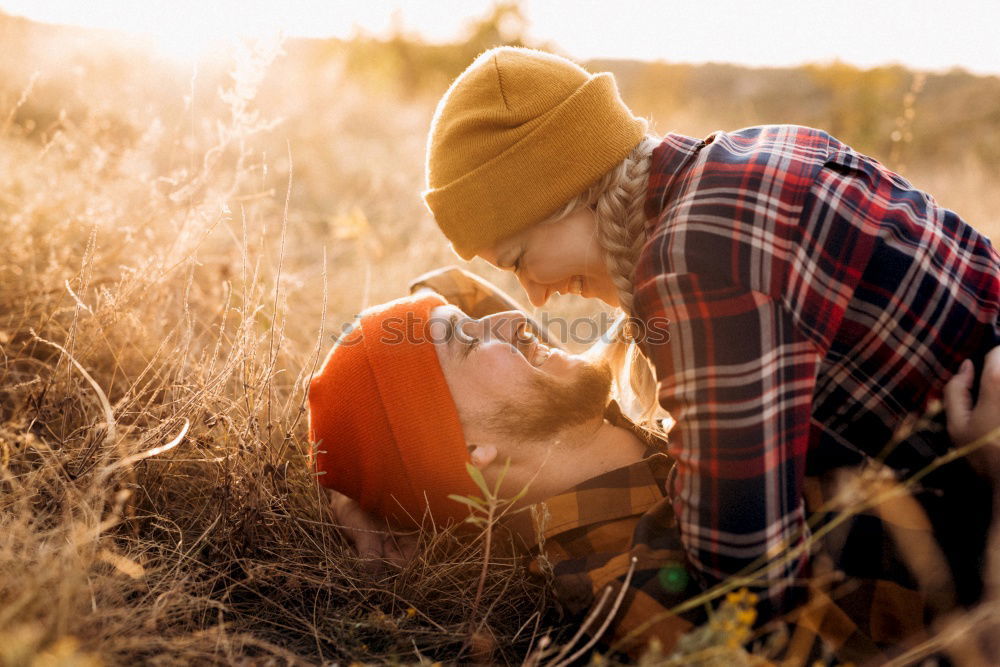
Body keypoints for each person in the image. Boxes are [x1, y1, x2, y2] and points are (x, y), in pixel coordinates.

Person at [419, 46, 1000, 619]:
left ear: (567, 192)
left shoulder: (694, 261)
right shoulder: (740, 160)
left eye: (520, 260)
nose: (537, 295)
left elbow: (748, 577)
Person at [308, 277, 1000, 661]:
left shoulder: (642, 408)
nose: (514, 320)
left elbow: (446, 297)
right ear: (470, 453)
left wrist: (355, 486)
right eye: (469, 338)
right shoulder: (634, 590)